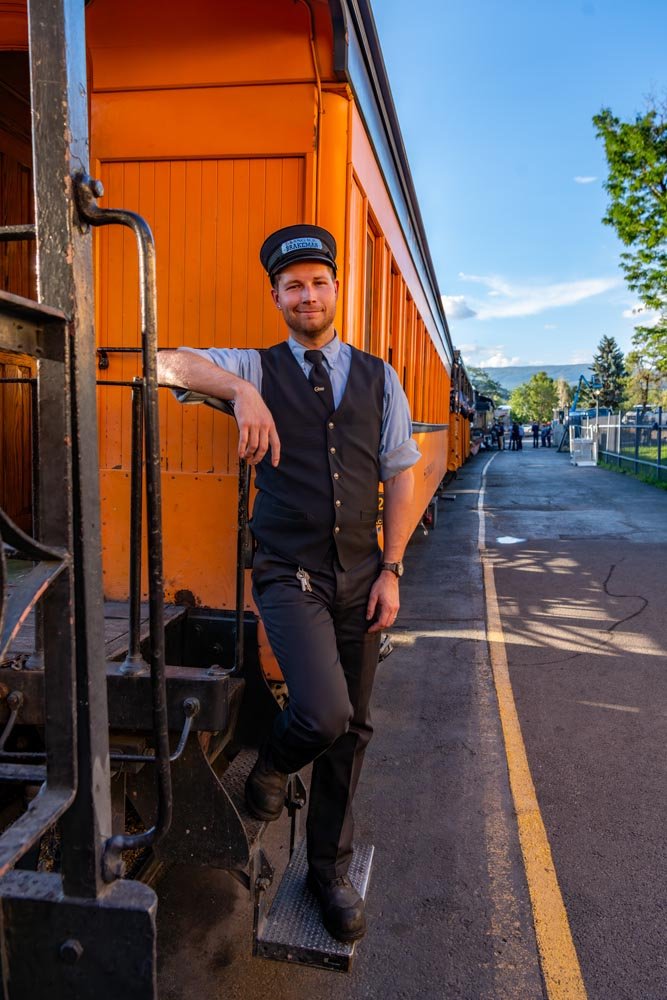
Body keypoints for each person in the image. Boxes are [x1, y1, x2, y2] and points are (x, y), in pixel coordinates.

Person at [157, 224, 419, 944]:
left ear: (337, 289)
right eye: (293, 285)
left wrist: (391, 567)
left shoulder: (378, 376)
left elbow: (401, 473)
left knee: (352, 730)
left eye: (318, 282)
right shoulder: (256, 365)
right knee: (324, 711)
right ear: (276, 295)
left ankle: (325, 873)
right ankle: (270, 768)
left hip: (362, 575)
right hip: (287, 573)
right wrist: (240, 389)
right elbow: (165, 363)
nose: (308, 295)